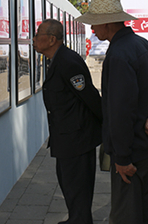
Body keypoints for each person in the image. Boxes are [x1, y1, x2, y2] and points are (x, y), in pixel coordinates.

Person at [76, 0, 148, 224]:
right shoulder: (142, 45)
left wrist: (122, 157)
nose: (92, 29)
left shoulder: (119, 54)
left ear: (107, 22)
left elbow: (120, 111)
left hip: (132, 152)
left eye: (94, 23)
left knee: (126, 213)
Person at [33, 19, 102, 224]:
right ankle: (77, 218)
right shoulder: (57, 59)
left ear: (52, 39)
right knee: (68, 183)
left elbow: (90, 97)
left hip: (77, 138)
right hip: (66, 136)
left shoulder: (68, 62)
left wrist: (106, 128)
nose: (34, 39)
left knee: (77, 185)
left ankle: (80, 220)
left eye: (38, 34)